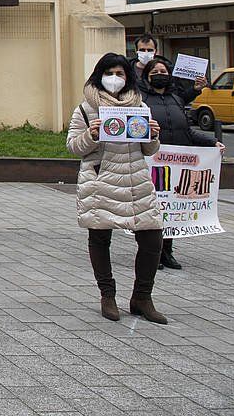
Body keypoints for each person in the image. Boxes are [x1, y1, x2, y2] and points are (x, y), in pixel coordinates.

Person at [67, 53, 166, 324]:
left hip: (136, 180)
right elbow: (74, 146)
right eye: (109, 72)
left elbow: (149, 149)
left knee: (152, 237)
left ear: (128, 77)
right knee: (100, 237)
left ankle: (142, 297)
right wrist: (92, 135)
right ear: (99, 75)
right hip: (101, 179)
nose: (114, 78)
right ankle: (107, 295)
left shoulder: (139, 106)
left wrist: (153, 135)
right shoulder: (86, 109)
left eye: (120, 73)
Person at [141, 56, 225, 271]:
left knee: (171, 208)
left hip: (177, 165)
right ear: (146, 76)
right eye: (155, 72)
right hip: (152, 162)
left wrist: (212, 142)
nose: (160, 75)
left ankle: (167, 252)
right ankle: (152, 253)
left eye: (163, 72)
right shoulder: (140, 99)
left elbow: (187, 131)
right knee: (153, 209)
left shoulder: (176, 99)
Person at [132, 33, 204, 103]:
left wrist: (195, 90)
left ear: (155, 51)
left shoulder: (170, 71)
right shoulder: (127, 70)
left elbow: (180, 99)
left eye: (150, 50)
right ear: (136, 50)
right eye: (142, 50)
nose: (146, 53)